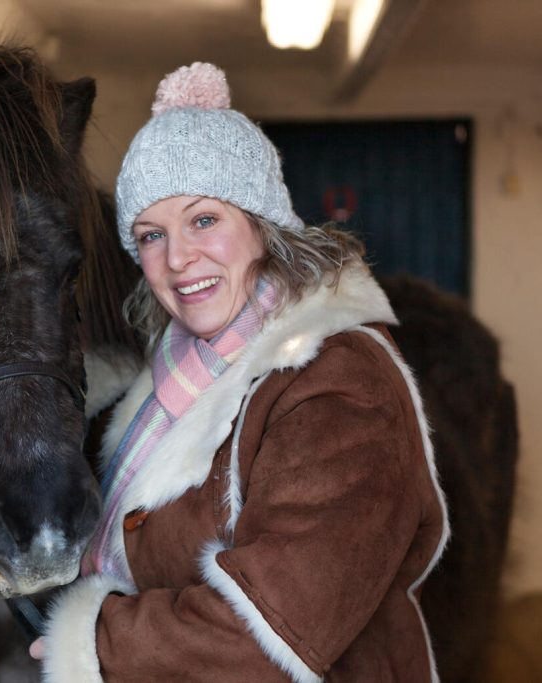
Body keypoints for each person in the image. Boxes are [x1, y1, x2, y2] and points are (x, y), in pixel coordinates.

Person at [30, 62, 449, 682]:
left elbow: (273, 633)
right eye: (150, 235)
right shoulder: (173, 378)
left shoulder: (340, 383)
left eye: (204, 220)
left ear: (261, 223)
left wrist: (95, 641)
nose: (177, 258)